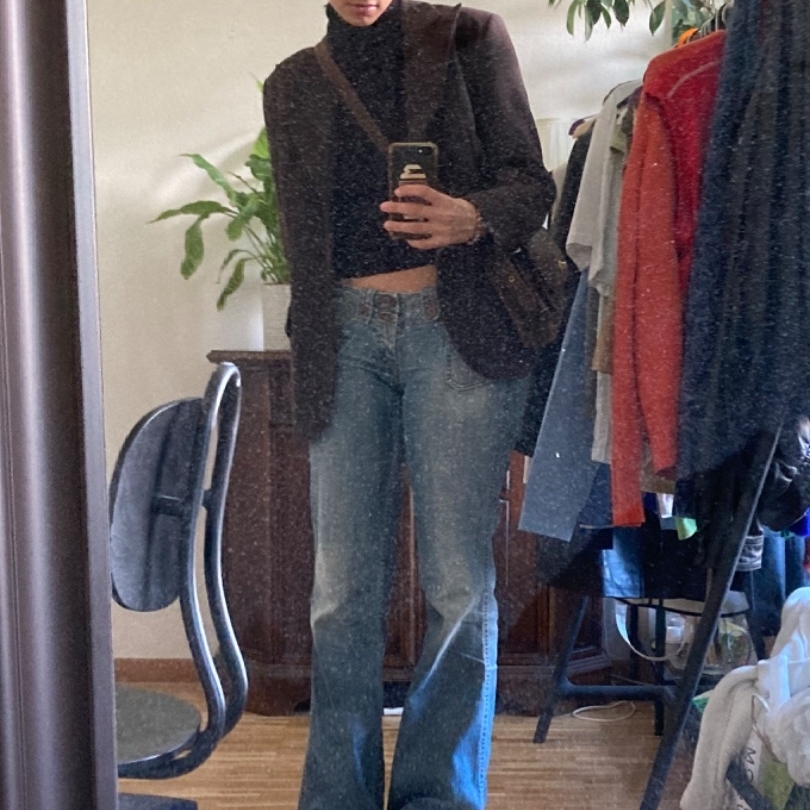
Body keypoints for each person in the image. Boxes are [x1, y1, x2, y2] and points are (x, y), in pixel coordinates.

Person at [263, 2, 555, 810]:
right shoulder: (292, 84)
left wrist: (473, 216)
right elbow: (302, 241)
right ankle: (338, 796)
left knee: (458, 582)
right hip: (343, 340)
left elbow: (532, 185)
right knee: (340, 593)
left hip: (455, 331)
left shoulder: (470, 39)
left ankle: (440, 796)